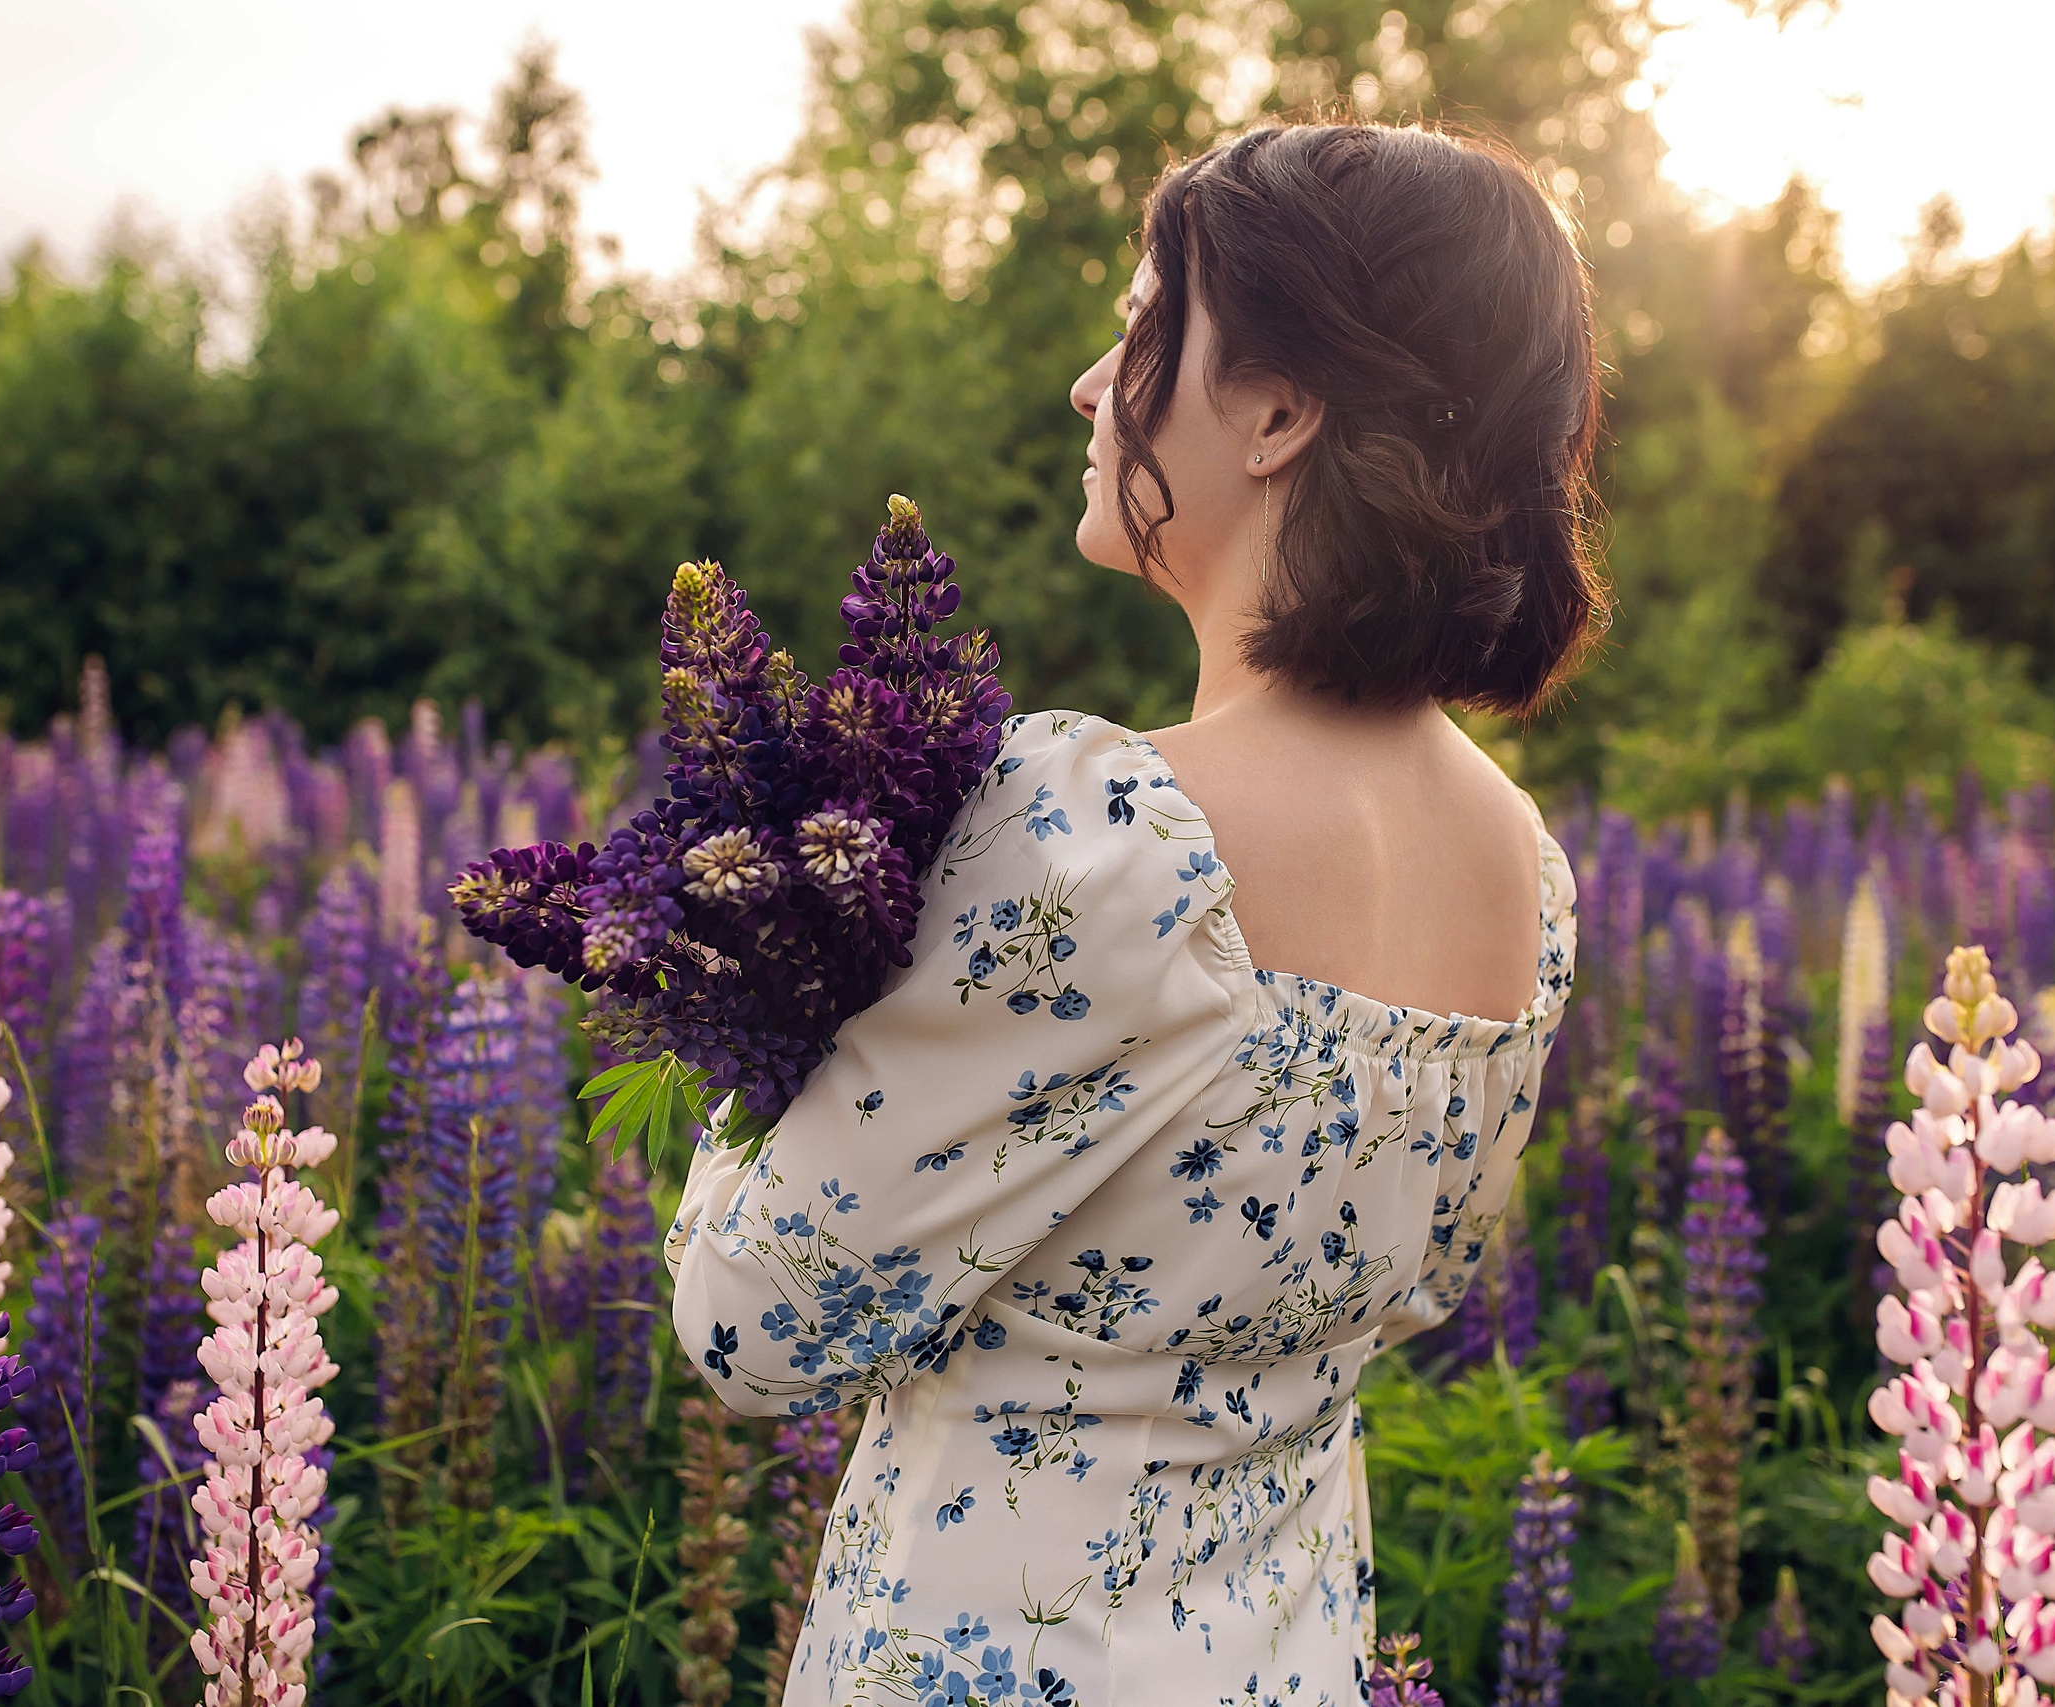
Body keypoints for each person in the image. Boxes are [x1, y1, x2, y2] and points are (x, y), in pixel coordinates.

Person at [665, 116, 1603, 1706]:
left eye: (1143, 325)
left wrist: (768, 1005)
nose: (1094, 387)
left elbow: (756, 1323)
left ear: (1283, 410)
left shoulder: (1104, 831)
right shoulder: (1523, 867)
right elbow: (1425, 1285)